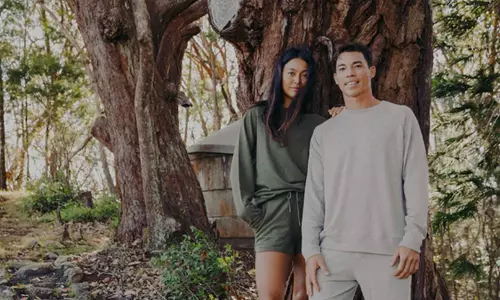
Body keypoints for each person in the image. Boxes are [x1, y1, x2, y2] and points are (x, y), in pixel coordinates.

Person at [301, 42, 429, 300]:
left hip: (389, 252)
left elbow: (416, 182)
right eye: (343, 68)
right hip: (332, 255)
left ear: (371, 71)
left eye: (357, 66)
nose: (350, 73)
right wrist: (311, 250)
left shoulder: (400, 118)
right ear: (336, 79)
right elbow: (315, 195)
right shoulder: (324, 133)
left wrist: (412, 240)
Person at [230, 47, 342, 300]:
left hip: (312, 216)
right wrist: (253, 215)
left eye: (304, 75)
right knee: (270, 295)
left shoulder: (319, 123)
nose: (297, 81)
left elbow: (338, 169)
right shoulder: (257, 117)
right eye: (291, 73)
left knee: (306, 295)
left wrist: (344, 117)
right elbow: (242, 171)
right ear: (280, 74)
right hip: (272, 216)